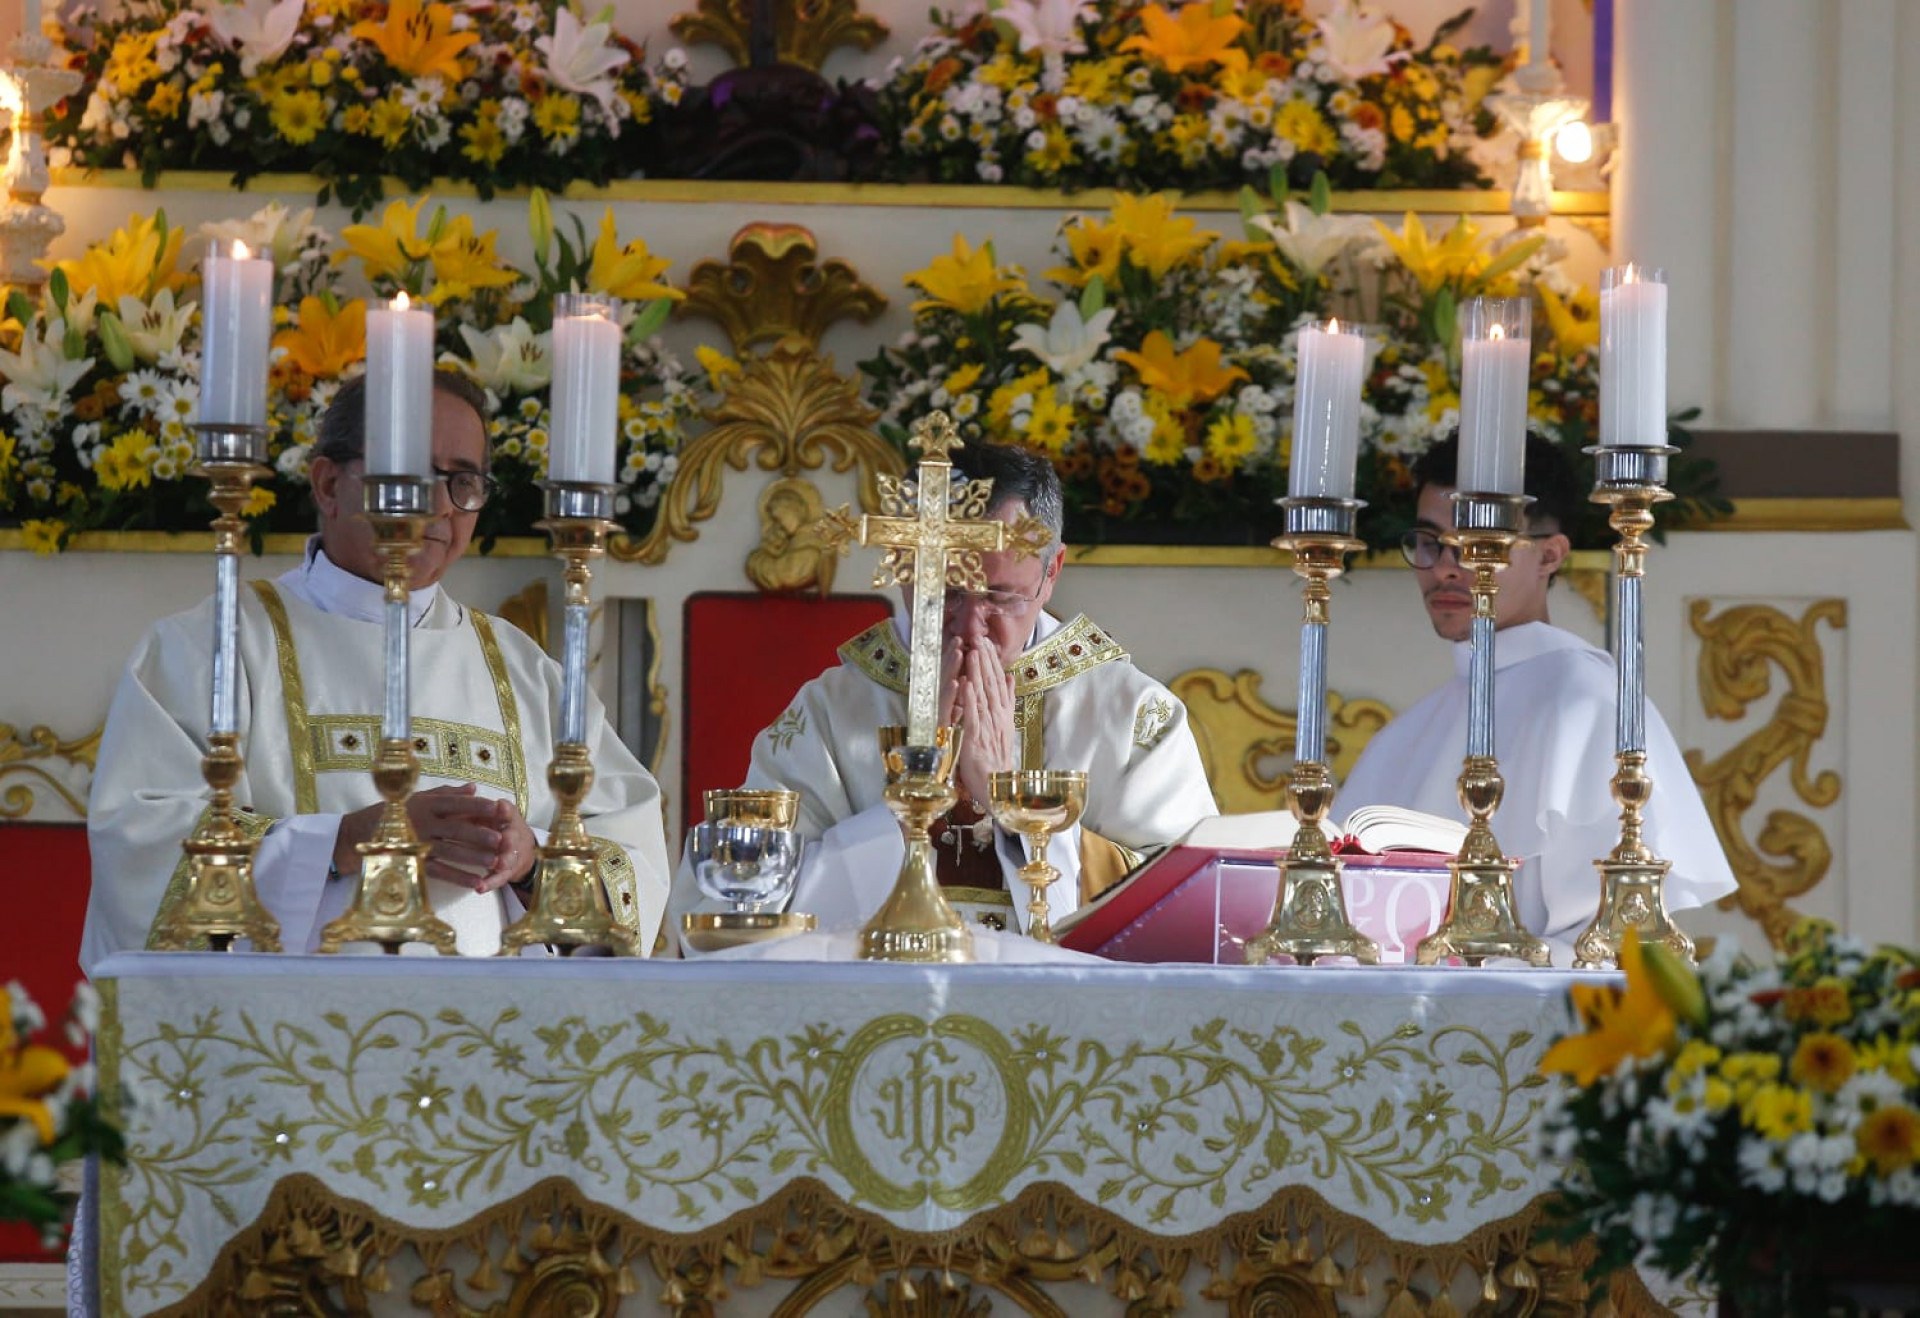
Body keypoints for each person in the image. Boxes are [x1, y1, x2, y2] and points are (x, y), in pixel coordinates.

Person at [81, 372, 671, 970]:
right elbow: (140, 849)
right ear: (329, 483)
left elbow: (636, 866)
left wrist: (532, 862)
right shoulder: (207, 650)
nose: (439, 505)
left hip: (497, 1046)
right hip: (285, 1050)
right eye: (408, 474)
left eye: (462, 480)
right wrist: (344, 841)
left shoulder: (527, 674)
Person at [669, 439, 1217, 943]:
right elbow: (727, 910)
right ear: (905, 571)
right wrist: (912, 807)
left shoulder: (1131, 714)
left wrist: (1016, 813)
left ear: (1052, 573)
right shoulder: (831, 712)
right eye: (946, 592)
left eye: (1001, 597)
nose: (969, 627)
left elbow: (1191, 911)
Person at [1335, 432, 1737, 953]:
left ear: (1550, 555)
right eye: (1431, 542)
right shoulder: (1409, 731)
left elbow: (1617, 946)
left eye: (1484, 544)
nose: (1446, 567)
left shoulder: (1586, 700)